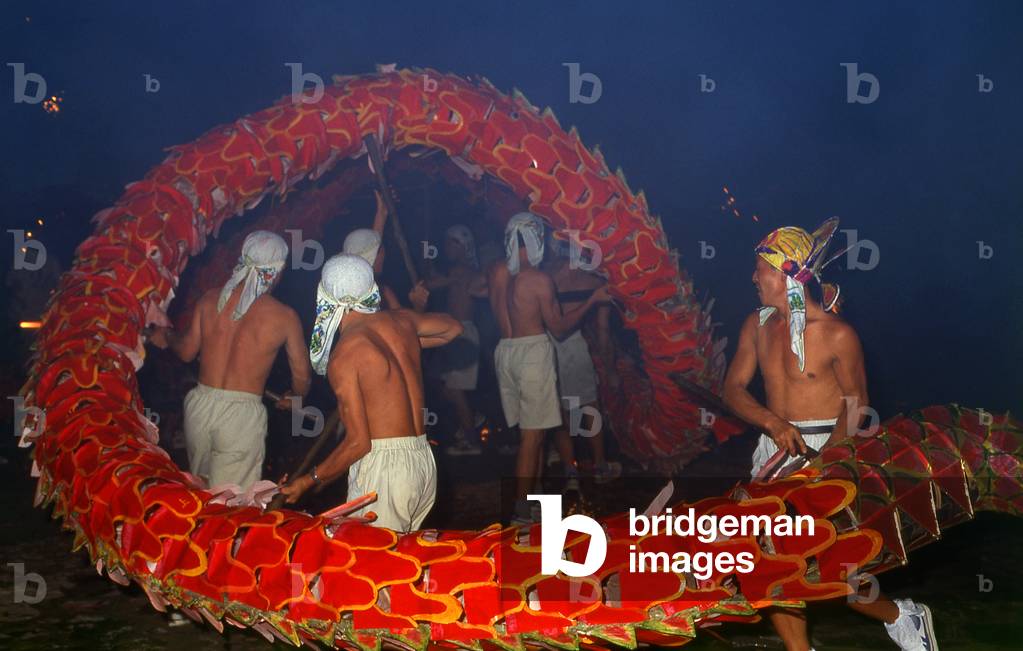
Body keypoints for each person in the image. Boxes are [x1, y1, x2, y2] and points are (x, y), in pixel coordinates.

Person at [722, 218, 937, 651]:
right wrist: (773, 423)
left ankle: (902, 615)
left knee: (831, 572)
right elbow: (731, 389)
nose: (753, 277)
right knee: (769, 566)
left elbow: (857, 405)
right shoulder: (756, 325)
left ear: (785, 274)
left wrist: (825, 467)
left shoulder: (838, 335)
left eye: (760, 268)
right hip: (775, 452)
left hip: (827, 452)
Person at [279, 254, 462, 532]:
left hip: (385, 472)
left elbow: (358, 443)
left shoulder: (346, 355)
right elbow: (453, 328)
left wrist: (309, 480)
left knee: (372, 568)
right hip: (422, 459)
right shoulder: (402, 322)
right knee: (401, 564)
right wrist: (406, 345)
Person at [149, 231, 311, 490]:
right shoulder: (284, 317)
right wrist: (294, 396)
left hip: (200, 406)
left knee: (201, 492)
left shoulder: (210, 299)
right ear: (277, 270)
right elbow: (302, 377)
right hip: (241, 416)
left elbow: (187, 351)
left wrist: (167, 336)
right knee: (232, 505)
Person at [487, 213, 610, 523]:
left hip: (504, 353)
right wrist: (593, 301)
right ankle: (521, 510)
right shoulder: (539, 280)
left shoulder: (498, 271)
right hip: (532, 354)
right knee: (532, 437)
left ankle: (534, 497)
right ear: (536, 240)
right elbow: (559, 328)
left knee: (534, 433)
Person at [543, 233, 621, 488]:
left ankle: (571, 471)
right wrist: (609, 370)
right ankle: (599, 466)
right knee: (589, 407)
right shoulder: (596, 280)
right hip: (574, 345)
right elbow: (603, 331)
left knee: (559, 411)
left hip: (544, 346)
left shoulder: (545, 275)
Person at [421, 224, 488, 456]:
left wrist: (425, 279)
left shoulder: (462, 269)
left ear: (462, 247)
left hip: (461, 333)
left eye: (451, 242)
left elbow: (431, 285)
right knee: (436, 379)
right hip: (453, 335)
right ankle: (470, 415)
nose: (446, 246)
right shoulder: (458, 270)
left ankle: (472, 441)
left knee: (455, 389)